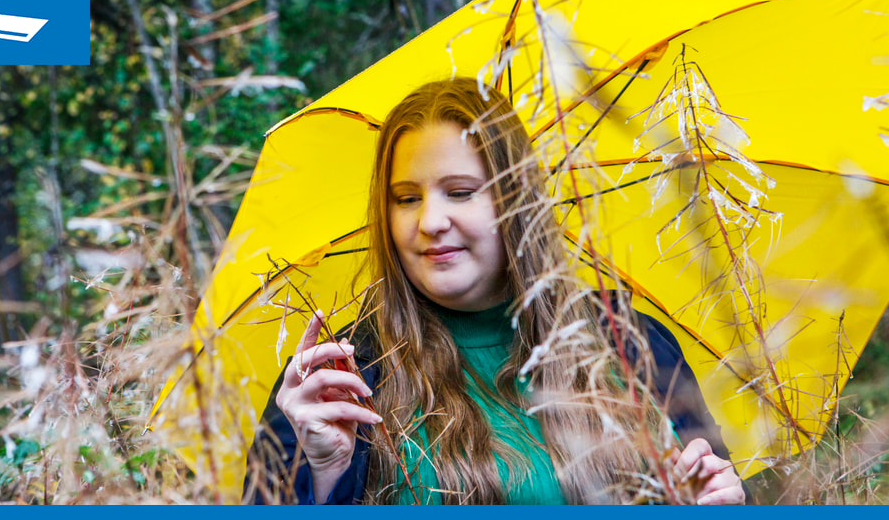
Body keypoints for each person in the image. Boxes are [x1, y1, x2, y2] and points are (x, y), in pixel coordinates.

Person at [245, 78, 745, 505]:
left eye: (460, 192)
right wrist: (326, 470)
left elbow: (708, 483)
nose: (430, 221)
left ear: (516, 200)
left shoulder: (630, 343)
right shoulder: (342, 376)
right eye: (406, 198)